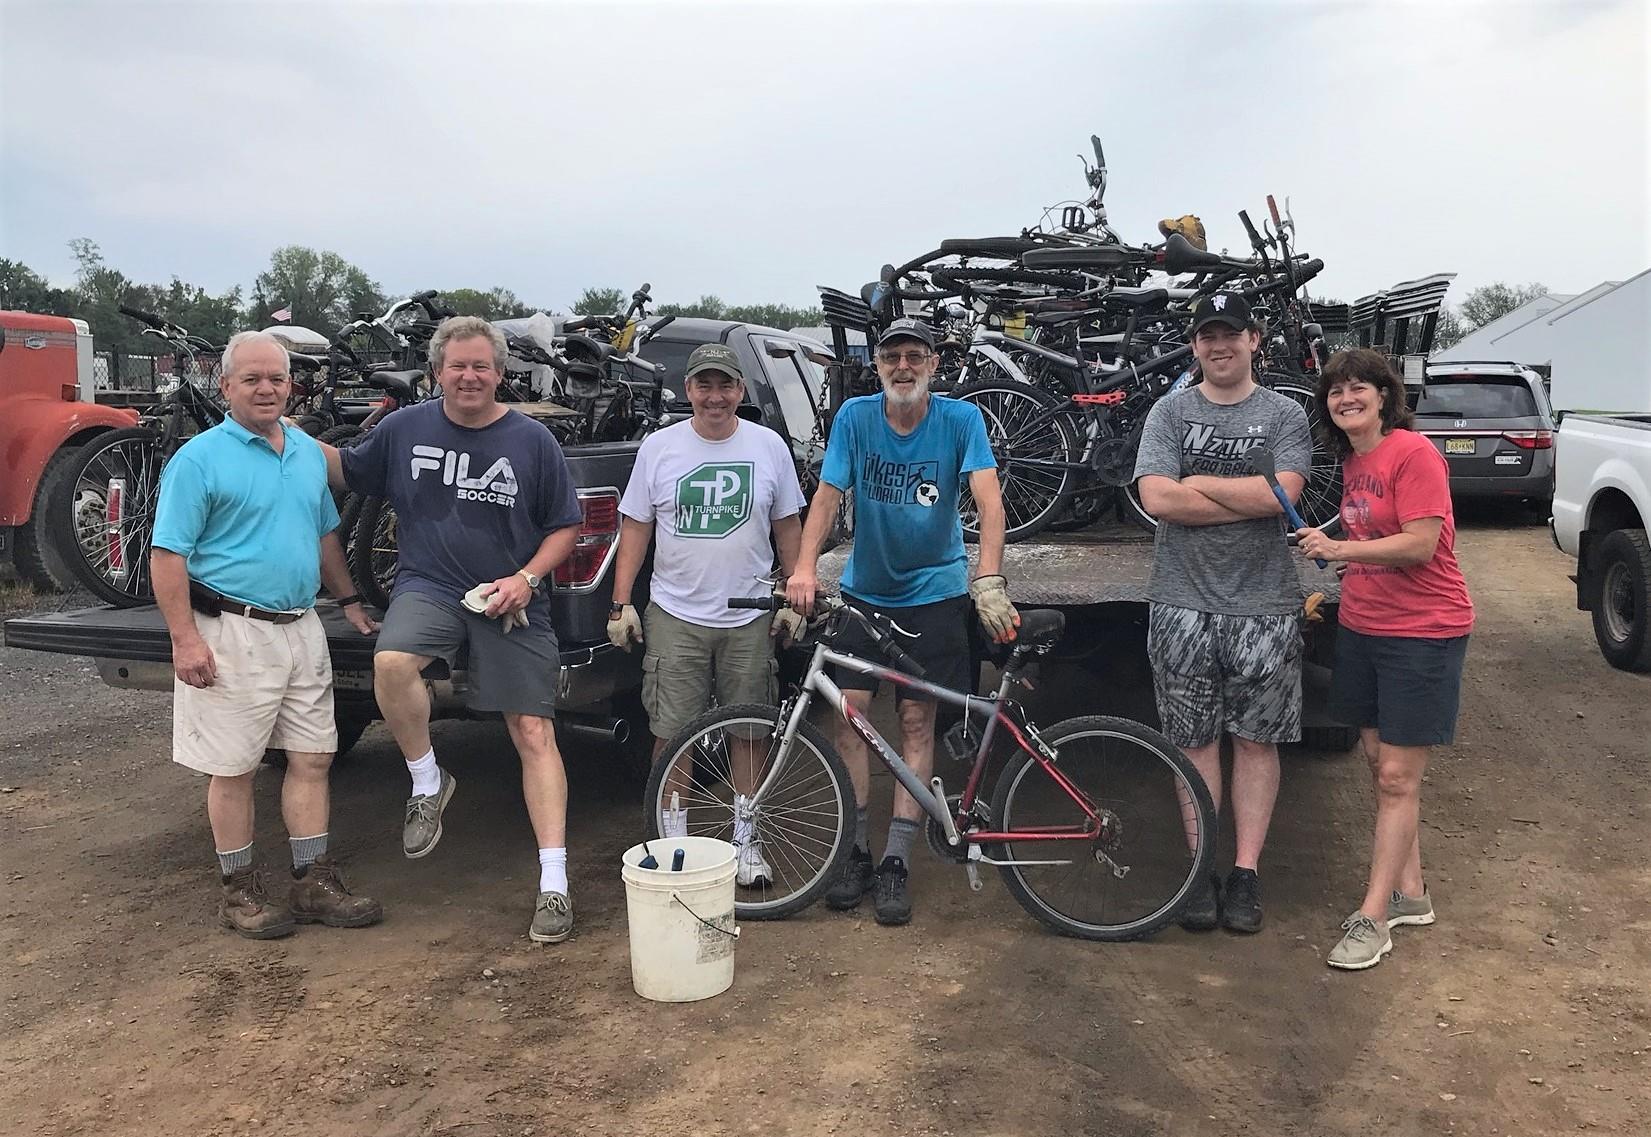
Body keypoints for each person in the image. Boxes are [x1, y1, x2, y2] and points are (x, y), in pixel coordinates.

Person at [322, 315, 584, 944]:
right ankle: (427, 781)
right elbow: (345, 470)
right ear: (436, 371)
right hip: (430, 586)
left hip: (510, 594)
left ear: (500, 373)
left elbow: (566, 526)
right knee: (391, 664)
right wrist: (272, 427)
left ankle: (554, 883)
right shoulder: (403, 429)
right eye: (458, 366)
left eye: (481, 366)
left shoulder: (532, 441)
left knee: (532, 732)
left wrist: (526, 579)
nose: (469, 376)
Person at [785, 317, 1018, 926]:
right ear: (878, 365)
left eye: (916, 356)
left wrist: (988, 578)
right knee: (850, 718)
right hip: (866, 591)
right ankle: (856, 851)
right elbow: (827, 497)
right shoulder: (855, 418)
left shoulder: (960, 420)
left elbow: (990, 499)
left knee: (916, 722)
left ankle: (895, 860)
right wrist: (804, 568)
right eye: (892, 357)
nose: (903, 366)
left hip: (934, 592)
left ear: (934, 365)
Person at [151, 331, 382, 940]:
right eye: (251, 379)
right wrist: (184, 640)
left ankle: (312, 882)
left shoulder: (305, 451)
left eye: (276, 378)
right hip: (231, 630)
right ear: (226, 386)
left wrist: (349, 600)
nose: (266, 389)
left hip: (300, 626)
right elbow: (168, 555)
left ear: (290, 385)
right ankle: (239, 892)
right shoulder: (199, 459)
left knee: (312, 757)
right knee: (234, 767)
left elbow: (323, 535)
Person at [1132, 292, 1313, 934]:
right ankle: (1200, 870)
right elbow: (1158, 498)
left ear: (1253, 340)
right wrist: (1248, 495)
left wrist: (1199, 484)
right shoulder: (1169, 411)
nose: (1219, 345)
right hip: (1181, 601)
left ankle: (1245, 873)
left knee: (1257, 742)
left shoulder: (1285, 413)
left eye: (1230, 334)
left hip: (1264, 604)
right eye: (1207, 336)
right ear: (1195, 345)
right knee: (1193, 741)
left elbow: (1283, 495)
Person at [606, 343, 807, 887]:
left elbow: (787, 525)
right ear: (688, 390)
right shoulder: (660, 448)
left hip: (749, 614)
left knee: (749, 731)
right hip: (676, 614)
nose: (714, 397)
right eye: (704, 386)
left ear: (740, 390)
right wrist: (621, 603)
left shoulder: (767, 446)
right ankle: (673, 844)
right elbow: (636, 527)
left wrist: (792, 596)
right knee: (673, 736)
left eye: (724, 386)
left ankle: (747, 839)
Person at [1297, 349, 1473, 970]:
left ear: (1384, 395)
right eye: (1335, 391)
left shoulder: (1413, 453)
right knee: (1380, 766)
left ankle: (1373, 918)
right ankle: (1411, 893)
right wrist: (1344, 552)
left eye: (1358, 388)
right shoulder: (1355, 460)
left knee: (1398, 777)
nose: (1346, 398)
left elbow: (1422, 544)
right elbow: (1373, 535)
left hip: (1423, 632)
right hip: (1364, 627)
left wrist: (1340, 548)